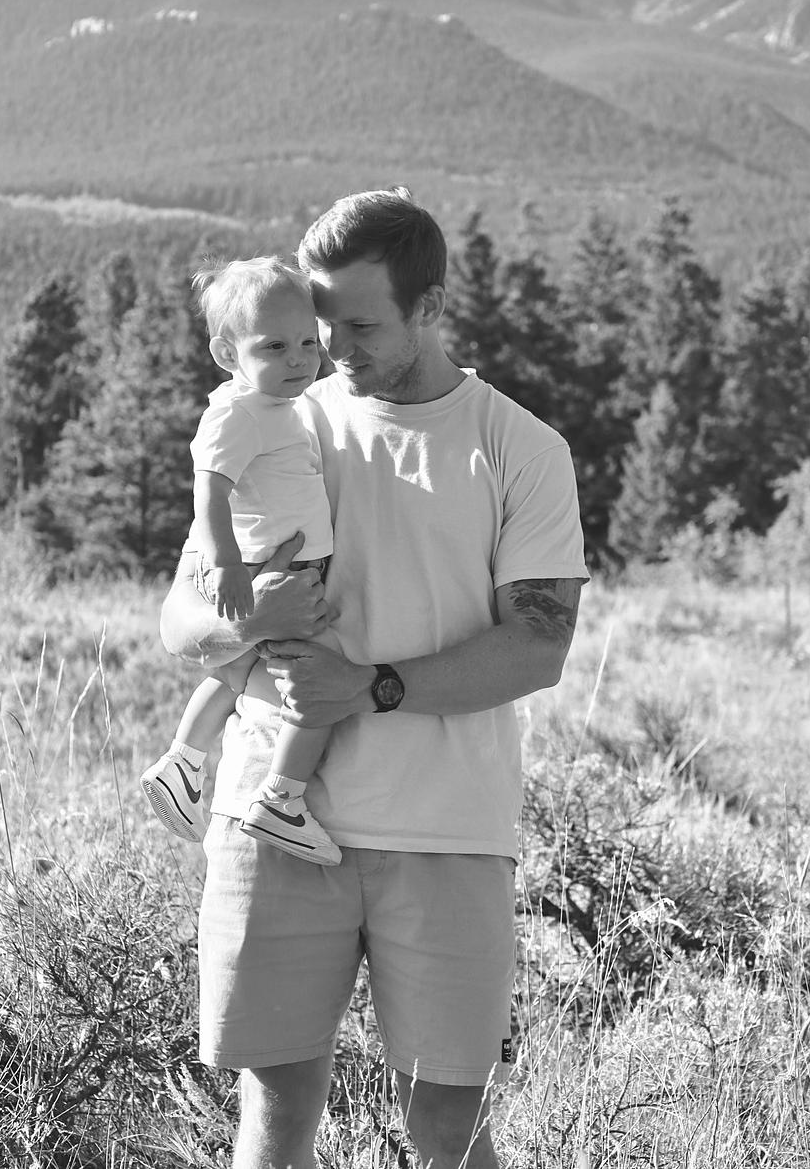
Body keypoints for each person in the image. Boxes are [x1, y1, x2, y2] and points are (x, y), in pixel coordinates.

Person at [160, 187, 588, 1169]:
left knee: (448, 1131)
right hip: (267, 822)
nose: (330, 348)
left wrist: (369, 687)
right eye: (320, 324)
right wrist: (247, 623)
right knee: (274, 1125)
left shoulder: (519, 448)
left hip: (447, 832)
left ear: (430, 306)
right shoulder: (276, 422)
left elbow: (539, 645)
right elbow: (181, 620)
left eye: (360, 325)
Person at [142, 256, 342, 864]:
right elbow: (209, 489)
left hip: (273, 566)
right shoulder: (238, 412)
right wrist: (227, 565)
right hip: (264, 571)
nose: (299, 359)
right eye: (275, 346)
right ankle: (281, 799)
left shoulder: (276, 406)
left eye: (308, 342)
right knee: (316, 686)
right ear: (227, 353)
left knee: (238, 672)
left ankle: (183, 761)